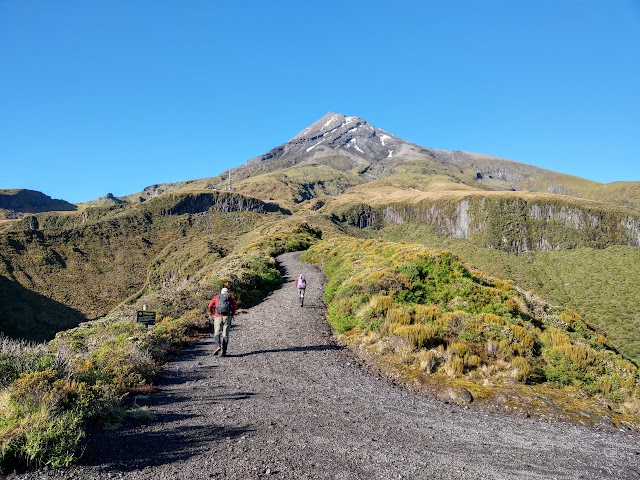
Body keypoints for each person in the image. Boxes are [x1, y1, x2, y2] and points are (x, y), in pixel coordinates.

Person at [207, 287, 238, 356]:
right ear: (227, 292)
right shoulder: (230, 298)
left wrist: (212, 313)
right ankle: (224, 352)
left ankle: (218, 346)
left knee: (217, 333)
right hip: (227, 317)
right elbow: (235, 306)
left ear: (221, 292)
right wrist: (232, 313)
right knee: (225, 335)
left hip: (218, 316)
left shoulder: (216, 297)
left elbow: (210, 306)